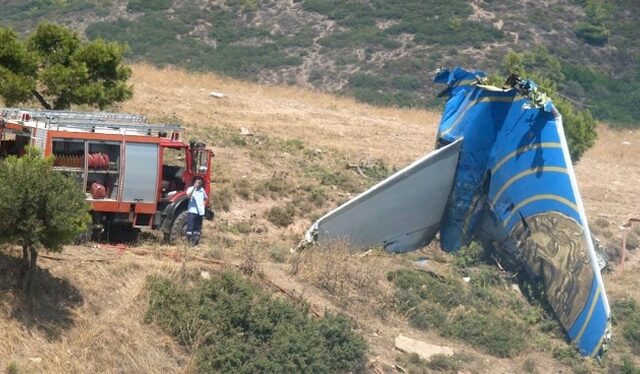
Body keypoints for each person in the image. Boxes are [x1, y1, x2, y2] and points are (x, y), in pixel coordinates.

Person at [186, 177, 208, 246]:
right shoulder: (190, 189)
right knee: (190, 226)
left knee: (197, 227)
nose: (198, 184)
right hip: (192, 211)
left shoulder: (202, 190)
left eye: (199, 183)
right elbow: (188, 196)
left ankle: (195, 241)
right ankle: (189, 241)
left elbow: (206, 198)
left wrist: (203, 205)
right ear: (194, 182)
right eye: (197, 182)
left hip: (200, 212)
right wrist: (194, 188)